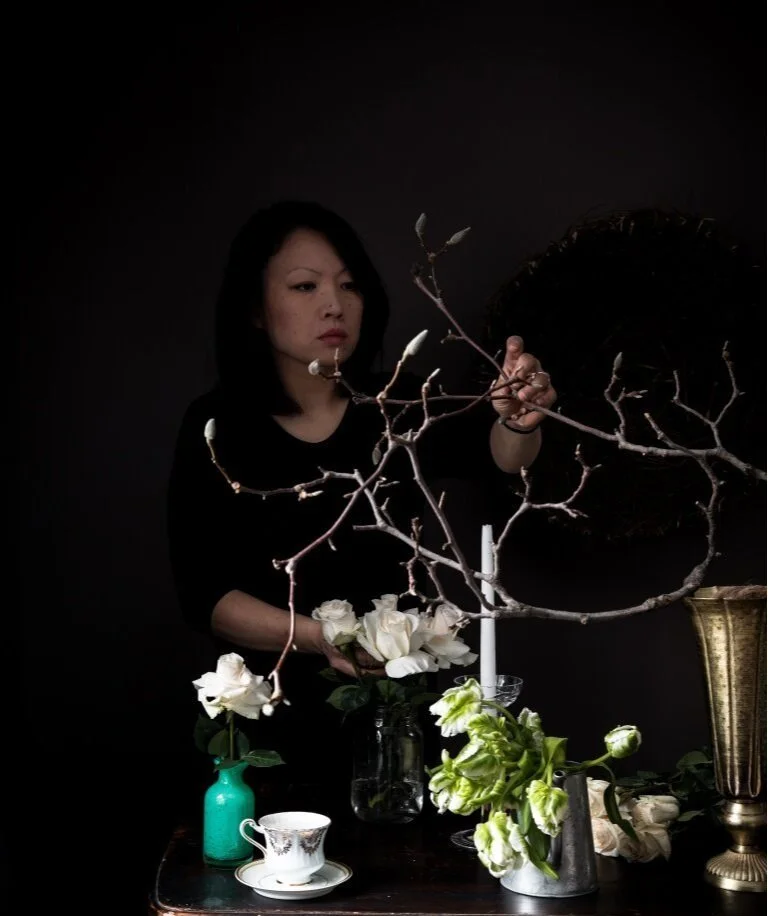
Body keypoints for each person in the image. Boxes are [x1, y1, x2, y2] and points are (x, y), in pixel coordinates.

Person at [166, 200, 556, 788]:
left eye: (349, 286)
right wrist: (325, 640)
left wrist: (519, 420)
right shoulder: (218, 427)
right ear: (253, 307)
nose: (334, 304)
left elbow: (500, 456)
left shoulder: (393, 405)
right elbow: (206, 597)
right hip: (268, 715)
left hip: (403, 714)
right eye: (305, 286)